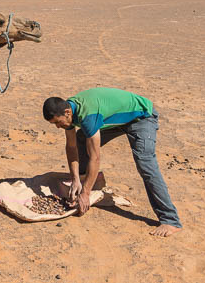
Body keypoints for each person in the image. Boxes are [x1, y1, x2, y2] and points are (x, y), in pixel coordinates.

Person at [42, 88, 182, 237]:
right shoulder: (69, 110)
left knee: (145, 164)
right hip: (115, 121)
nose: (58, 126)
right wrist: (75, 179)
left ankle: (170, 220)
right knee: (80, 140)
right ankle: (86, 187)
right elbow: (71, 147)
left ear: (67, 113)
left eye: (58, 122)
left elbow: (95, 157)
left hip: (141, 117)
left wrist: (85, 193)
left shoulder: (88, 115)